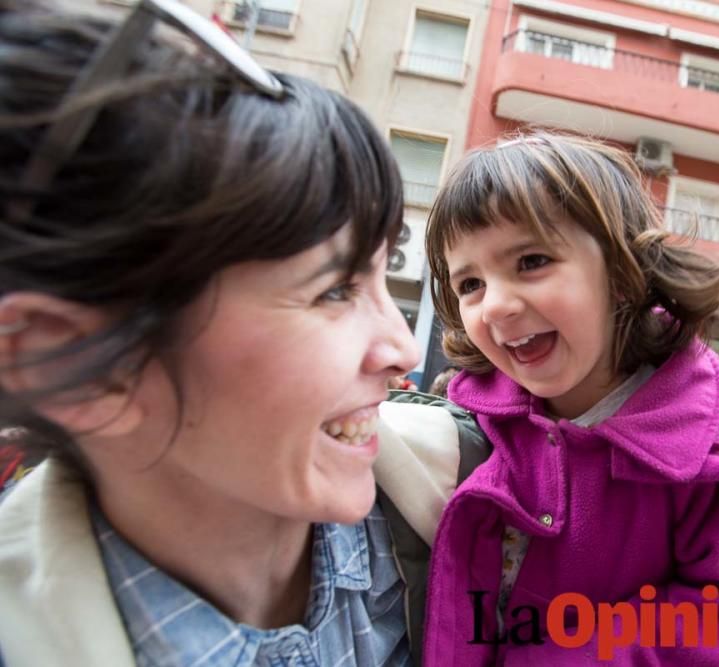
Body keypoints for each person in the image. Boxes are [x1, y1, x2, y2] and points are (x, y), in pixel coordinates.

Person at [0, 2, 487, 665]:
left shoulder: (493, 488)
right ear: (79, 361)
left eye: (383, 274)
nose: (403, 349)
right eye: (335, 289)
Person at [421, 132, 719, 665]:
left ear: (621, 273)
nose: (494, 306)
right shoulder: (467, 419)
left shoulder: (712, 452)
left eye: (531, 261)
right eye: (470, 283)